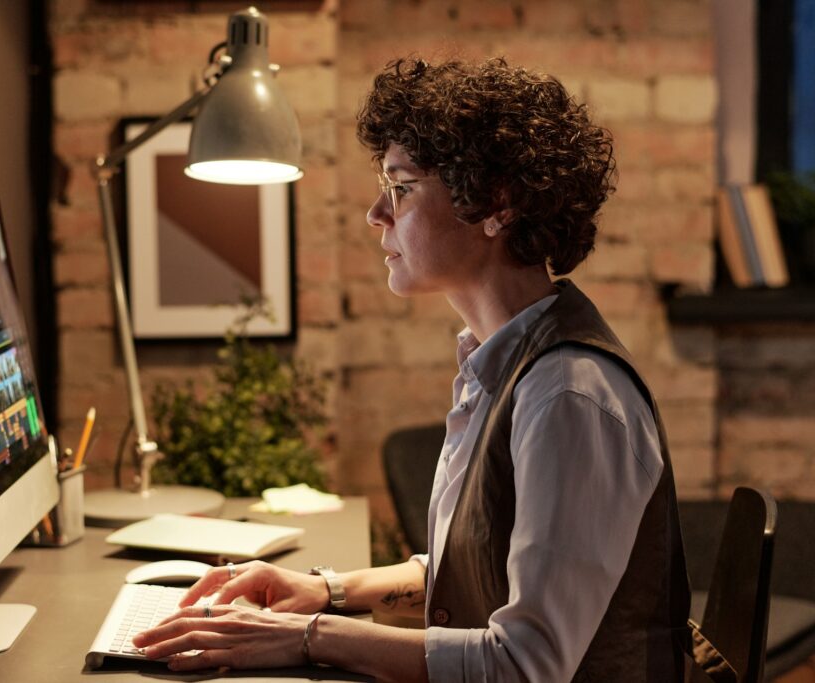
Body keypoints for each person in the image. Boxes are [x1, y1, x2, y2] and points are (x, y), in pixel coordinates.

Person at [133, 57, 691, 682]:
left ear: (496, 205)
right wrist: (325, 591)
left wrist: (308, 637)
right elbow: (478, 564)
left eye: (400, 187)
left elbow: (523, 665)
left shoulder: (568, 395)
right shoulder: (503, 360)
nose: (377, 212)